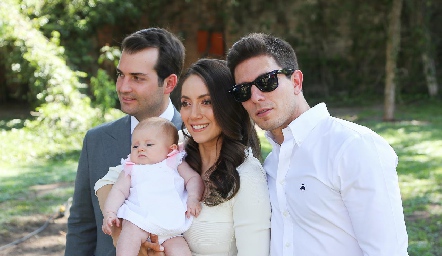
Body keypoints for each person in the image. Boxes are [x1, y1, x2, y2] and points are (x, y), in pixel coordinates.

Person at [225, 33, 409, 256]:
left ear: (296, 81)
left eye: (266, 82)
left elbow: (387, 251)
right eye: (243, 91)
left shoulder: (352, 147)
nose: (255, 97)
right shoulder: (271, 164)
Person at [97, 58, 271, 255]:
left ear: (228, 106)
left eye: (206, 102)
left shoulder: (246, 174)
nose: (193, 114)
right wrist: (125, 232)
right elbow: (109, 179)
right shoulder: (177, 149)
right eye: (186, 103)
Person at [65, 27, 185, 256]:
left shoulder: (196, 138)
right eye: (121, 74)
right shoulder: (96, 141)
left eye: (137, 78)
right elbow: (82, 225)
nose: (123, 87)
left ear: (169, 84)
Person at [101, 117, 204, 256]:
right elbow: (118, 191)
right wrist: (110, 212)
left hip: (170, 226)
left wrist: (193, 197)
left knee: (180, 249)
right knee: (128, 238)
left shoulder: (174, 162)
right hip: (138, 221)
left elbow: (193, 178)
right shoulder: (132, 168)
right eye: (135, 146)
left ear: (171, 149)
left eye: (149, 144)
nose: (141, 149)